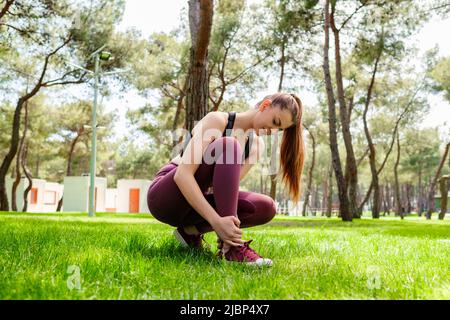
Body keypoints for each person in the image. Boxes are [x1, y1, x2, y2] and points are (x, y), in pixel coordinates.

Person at [147, 92, 305, 266]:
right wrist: (216, 222)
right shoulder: (217, 121)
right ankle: (232, 248)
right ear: (265, 105)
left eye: (280, 130)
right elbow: (182, 175)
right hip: (167, 198)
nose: (273, 131)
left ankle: (190, 231)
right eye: (275, 122)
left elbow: (223, 192)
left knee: (267, 206)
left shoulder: (255, 146)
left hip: (195, 205)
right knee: (230, 145)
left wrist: (224, 221)